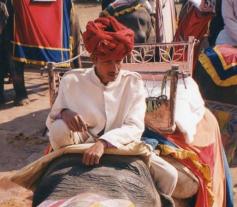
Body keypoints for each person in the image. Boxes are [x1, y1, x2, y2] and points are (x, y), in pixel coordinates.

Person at [46, 16, 178, 195]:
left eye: (118, 61)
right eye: (108, 62)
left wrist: (103, 143)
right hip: (79, 147)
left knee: (170, 175)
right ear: (93, 59)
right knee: (59, 129)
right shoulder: (71, 81)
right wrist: (64, 113)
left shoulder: (132, 83)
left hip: (120, 147)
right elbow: (51, 120)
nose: (115, 69)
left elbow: (134, 127)